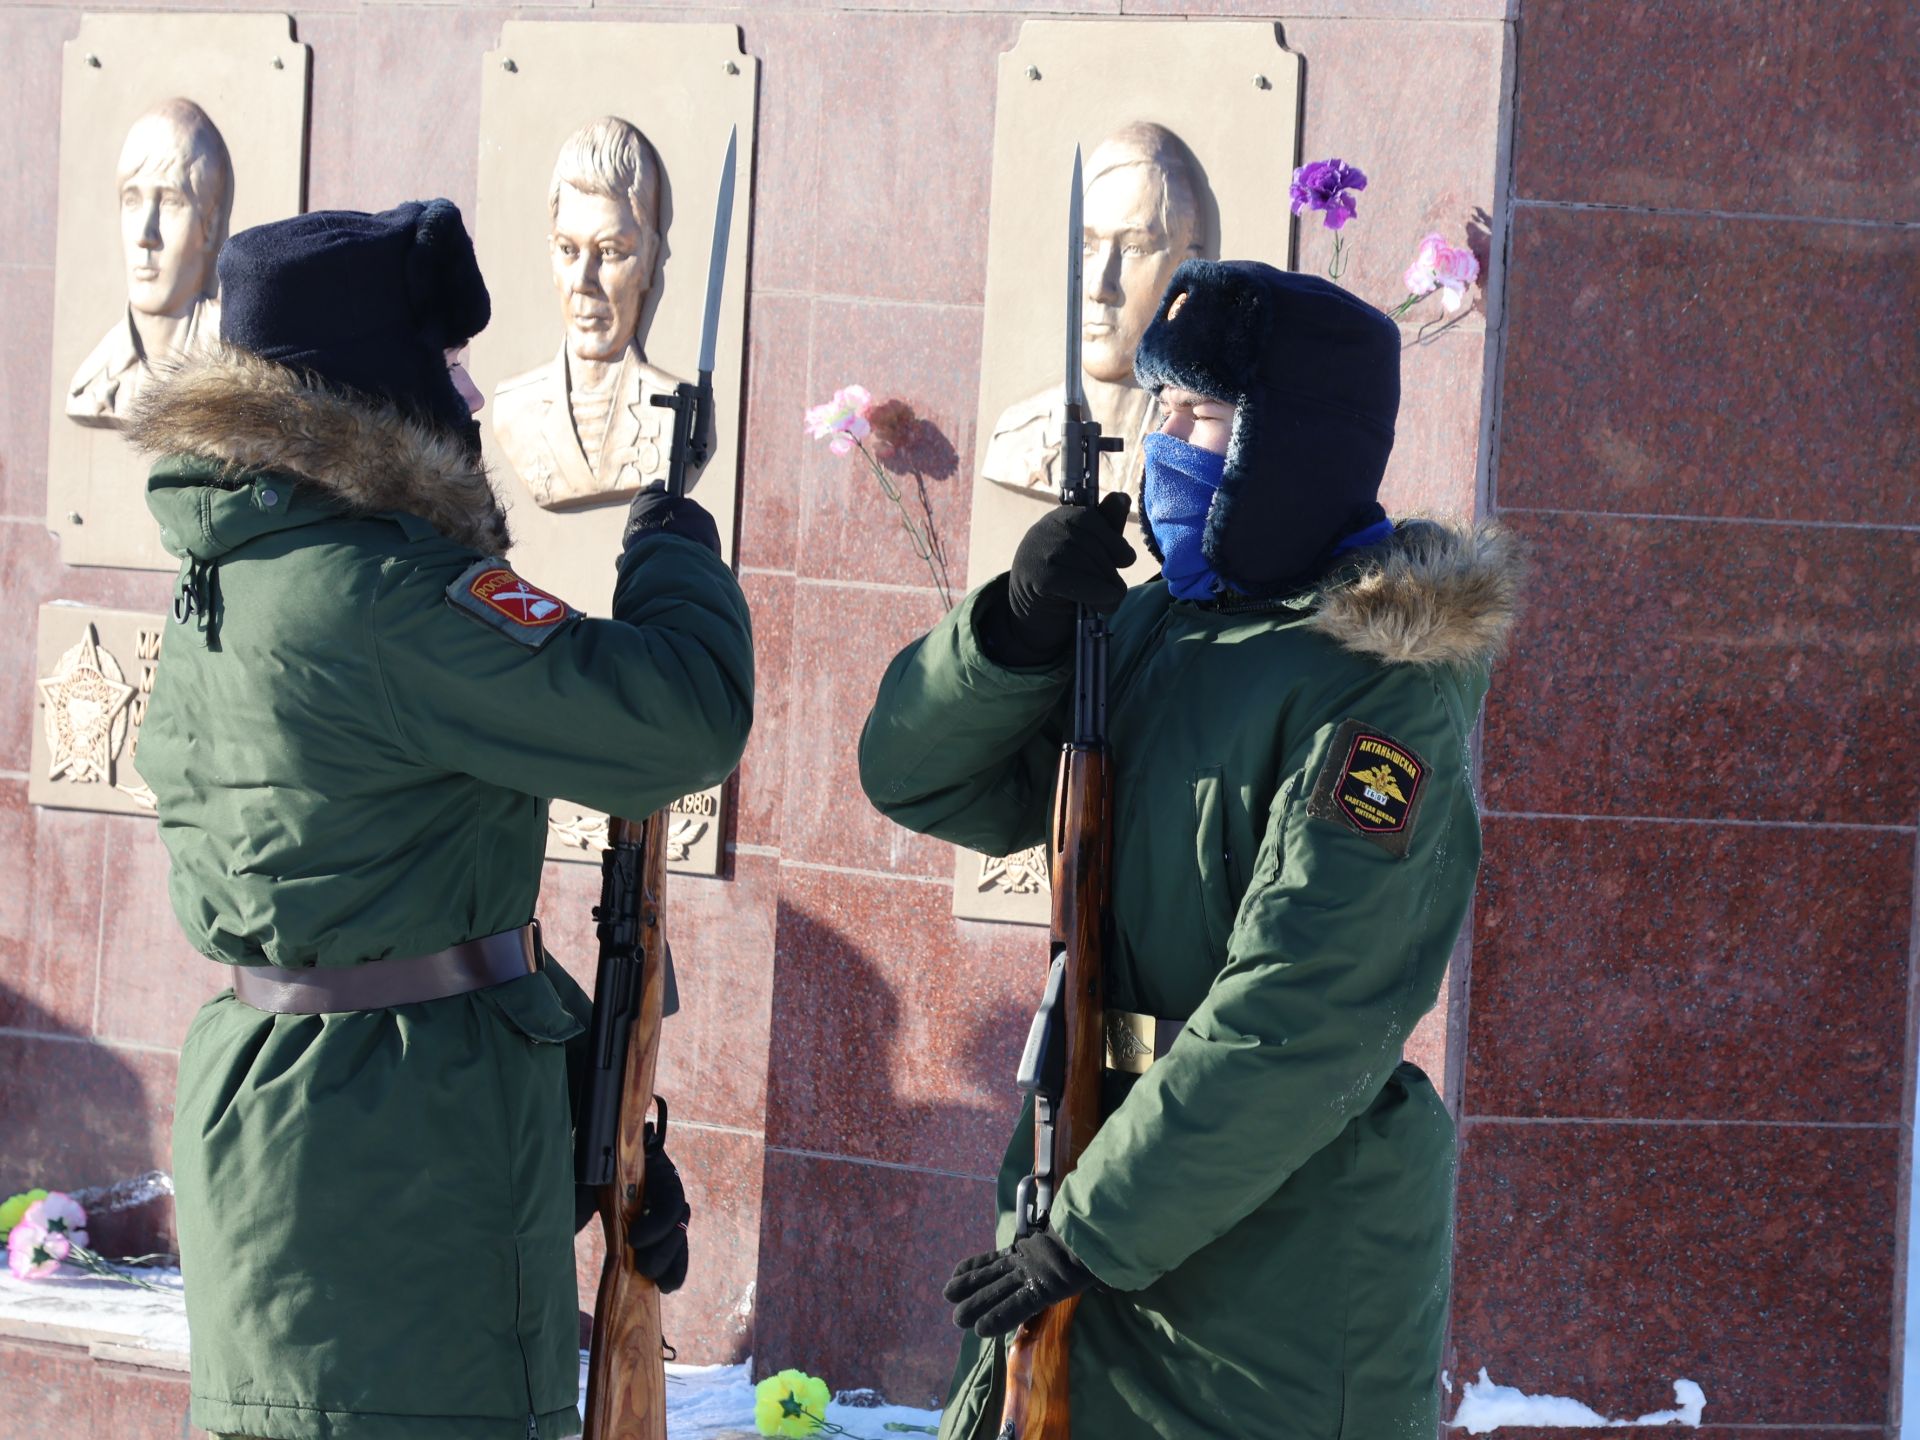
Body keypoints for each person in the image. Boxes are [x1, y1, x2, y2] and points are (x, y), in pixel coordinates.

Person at [859, 259, 1523, 1439]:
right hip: (1098, 1169)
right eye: (1159, 407)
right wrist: (1011, 633)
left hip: (1275, 1267)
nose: (1165, 438)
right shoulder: (1161, 622)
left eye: (1203, 415)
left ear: (1295, 444)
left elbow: (1301, 1015)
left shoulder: (1381, 688)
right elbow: (916, 778)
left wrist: (1092, 1233)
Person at [128, 199, 754, 1440]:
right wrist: (674, 551)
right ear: (367, 395)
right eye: (441, 364)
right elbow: (677, 723)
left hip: (321, 1129)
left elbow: (389, 905)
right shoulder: (379, 596)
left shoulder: (237, 568)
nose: (466, 397)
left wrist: (582, 1100)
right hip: (392, 1164)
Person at [981, 122, 1209, 539]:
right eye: (1087, 244)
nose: (1099, 285)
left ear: (1185, 269)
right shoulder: (1018, 441)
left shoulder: (1201, 453)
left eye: (1135, 247)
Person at [493, 115, 684, 511]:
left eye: (610, 252)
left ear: (650, 258)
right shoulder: (513, 410)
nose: (584, 280)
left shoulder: (676, 412)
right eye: (568, 250)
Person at [68, 98, 232, 426]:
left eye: (171, 202)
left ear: (211, 228)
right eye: (132, 200)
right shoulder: (91, 382)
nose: (146, 234)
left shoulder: (234, 363)